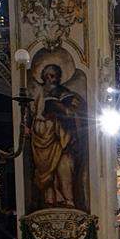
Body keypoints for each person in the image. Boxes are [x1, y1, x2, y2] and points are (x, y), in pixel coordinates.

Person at [30, 62, 86, 210]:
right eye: (48, 76)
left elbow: (74, 114)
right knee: (48, 173)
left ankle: (68, 199)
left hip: (62, 138)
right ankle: (51, 199)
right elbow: (34, 115)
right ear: (43, 77)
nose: (51, 80)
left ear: (59, 77)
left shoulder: (65, 94)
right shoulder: (39, 94)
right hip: (44, 136)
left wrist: (65, 111)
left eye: (54, 76)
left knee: (65, 169)